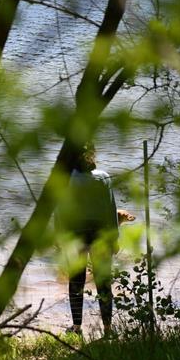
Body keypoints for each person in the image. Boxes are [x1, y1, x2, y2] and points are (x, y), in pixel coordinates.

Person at [55, 144, 119, 336]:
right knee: (103, 281)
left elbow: (60, 210)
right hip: (100, 235)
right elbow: (111, 209)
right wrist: (114, 237)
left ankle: (76, 327)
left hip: (76, 235)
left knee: (76, 281)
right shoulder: (104, 177)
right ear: (93, 155)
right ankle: (108, 329)